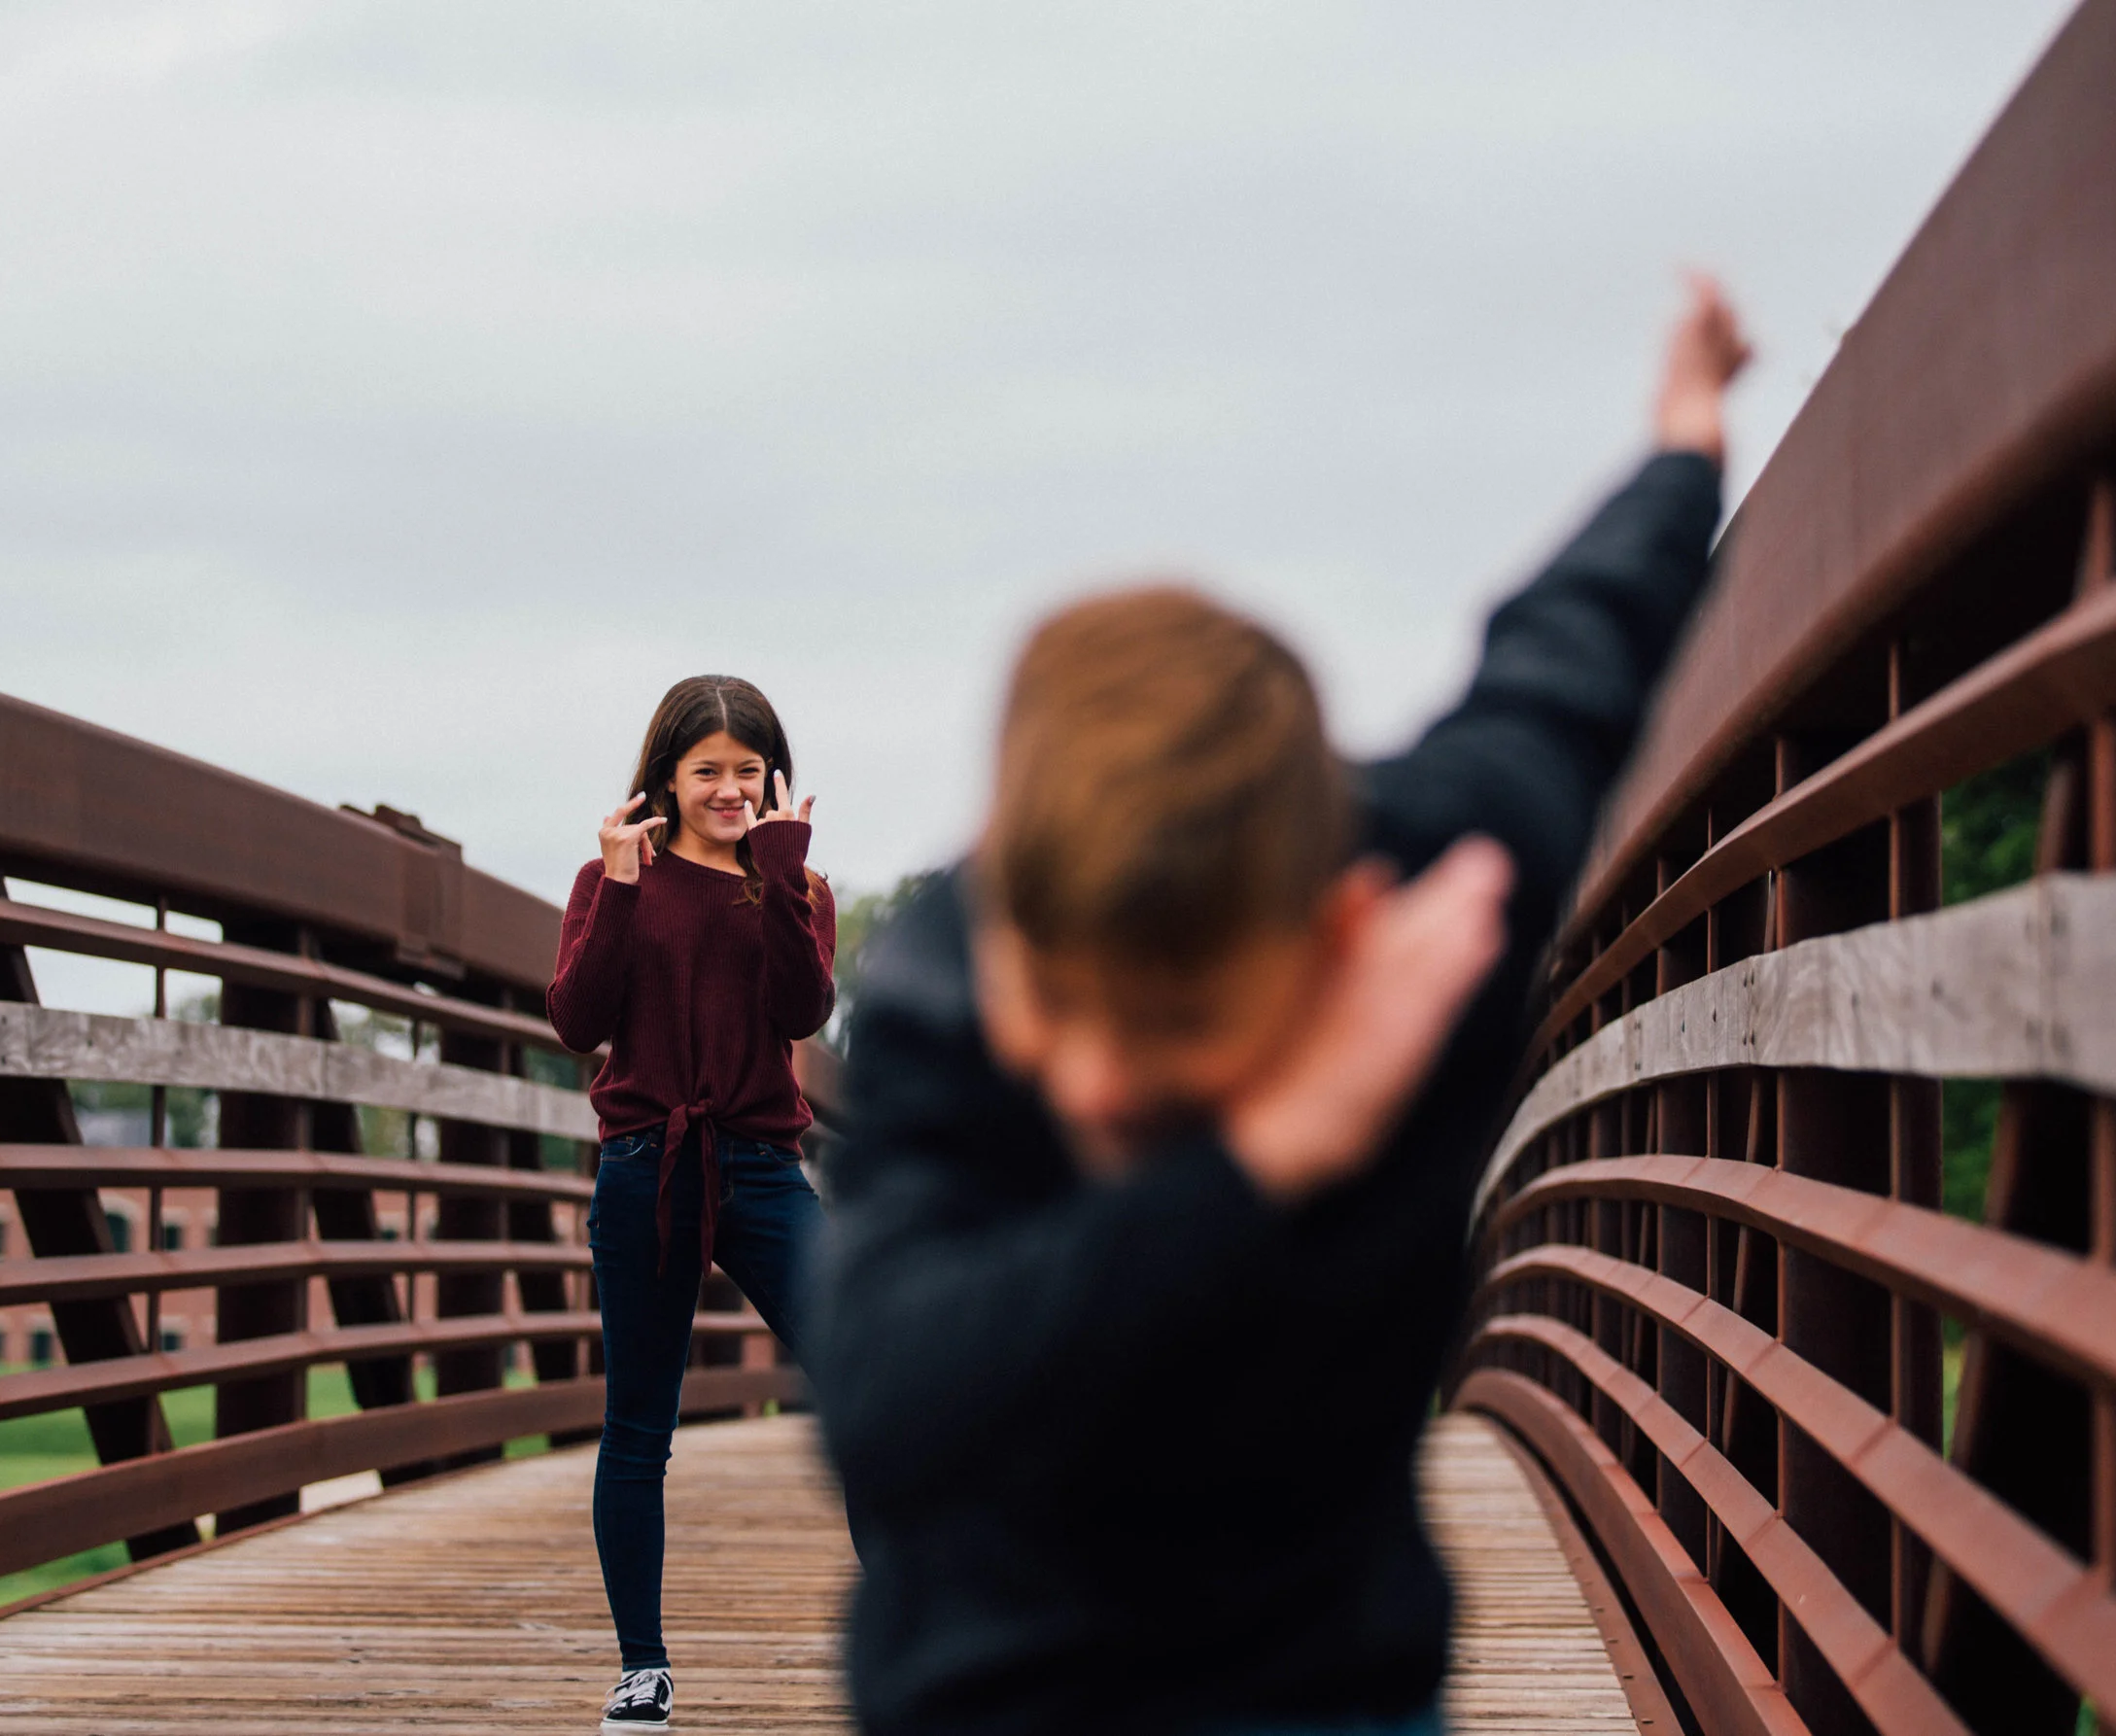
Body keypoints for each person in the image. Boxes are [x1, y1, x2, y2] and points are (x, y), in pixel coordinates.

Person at [810, 278, 1751, 1736]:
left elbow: (1570, 657)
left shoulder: (1438, 916)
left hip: (1318, 1690)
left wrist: (1685, 441)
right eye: (1060, 1001)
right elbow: (889, 1400)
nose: (1105, 1080)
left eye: (1176, 1021)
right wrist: (1268, 1149)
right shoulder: (950, 981)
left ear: (1336, 931)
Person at [546, 675, 837, 1734]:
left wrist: (785, 881)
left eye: (746, 770)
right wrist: (619, 887)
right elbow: (579, 1021)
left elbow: (803, 1007)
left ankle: (913, 1625)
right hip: (645, 1165)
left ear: (771, 778)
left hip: (762, 1166)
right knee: (639, 1426)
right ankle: (642, 1666)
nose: (727, 787)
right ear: (665, 773)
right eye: (706, 768)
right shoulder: (608, 876)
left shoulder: (793, 884)